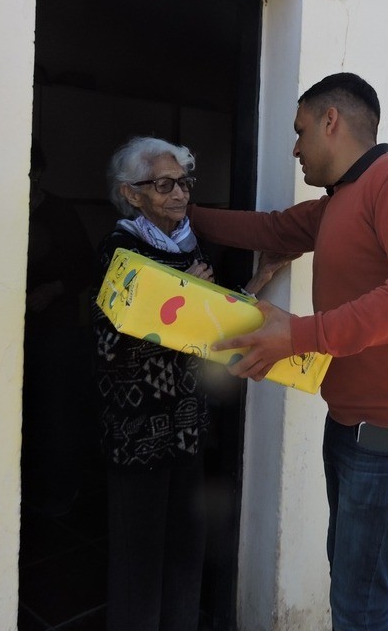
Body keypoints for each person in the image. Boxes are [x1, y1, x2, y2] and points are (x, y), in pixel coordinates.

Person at [188, 73, 388, 631]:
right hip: (356, 426)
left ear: (331, 121)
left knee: (358, 606)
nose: (294, 147)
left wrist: (302, 335)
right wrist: (182, 215)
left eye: (300, 130)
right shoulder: (339, 202)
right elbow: (271, 228)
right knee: (352, 588)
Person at [92, 136, 291, 631]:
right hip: (138, 430)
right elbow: (114, 344)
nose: (179, 194)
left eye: (183, 182)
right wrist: (190, 295)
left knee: (185, 546)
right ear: (132, 194)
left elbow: (210, 325)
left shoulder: (186, 244)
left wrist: (258, 281)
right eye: (163, 184)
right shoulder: (120, 250)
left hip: (185, 424)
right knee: (139, 555)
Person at [23, 141, 98, 516]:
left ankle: (60, 493)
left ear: (40, 172)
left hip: (57, 329)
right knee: (21, 408)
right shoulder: (7, 209)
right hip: (14, 330)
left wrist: (52, 290)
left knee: (56, 410)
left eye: (32, 171)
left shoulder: (59, 211)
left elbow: (87, 266)